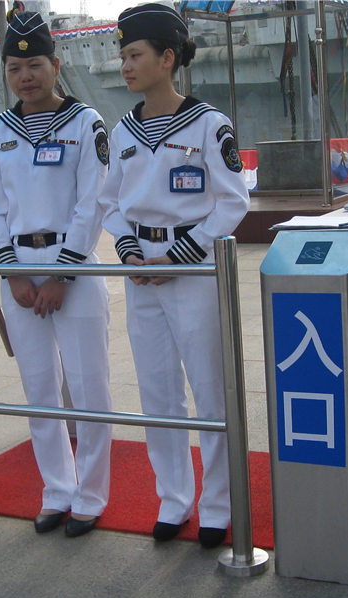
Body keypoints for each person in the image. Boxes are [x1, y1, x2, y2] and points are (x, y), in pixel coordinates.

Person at [99, 3, 250, 549]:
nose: (126, 65)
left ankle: (217, 507)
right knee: (158, 393)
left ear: (167, 58)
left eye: (135, 54)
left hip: (193, 274)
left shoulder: (210, 124)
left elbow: (233, 201)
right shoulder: (122, 132)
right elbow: (111, 202)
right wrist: (131, 251)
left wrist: (181, 254)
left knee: (209, 391)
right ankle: (173, 499)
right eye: (123, 56)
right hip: (143, 274)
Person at [0, 10, 113, 538]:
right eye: (15, 67)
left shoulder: (86, 124)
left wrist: (62, 275)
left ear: (56, 66)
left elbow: (92, 203)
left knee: (89, 387)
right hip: (18, 273)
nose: (25, 75)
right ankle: (56, 490)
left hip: (71, 268)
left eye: (35, 64)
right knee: (39, 390)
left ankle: (92, 495)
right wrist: (12, 273)